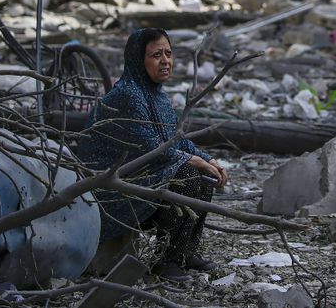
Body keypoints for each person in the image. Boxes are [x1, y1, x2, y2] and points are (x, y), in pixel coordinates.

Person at [76, 28, 228, 281]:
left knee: (201, 175)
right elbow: (151, 149)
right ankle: (166, 262)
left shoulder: (156, 94)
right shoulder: (128, 95)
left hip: (141, 177)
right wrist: (197, 161)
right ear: (138, 59)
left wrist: (209, 160)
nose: (165, 61)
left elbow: (174, 140)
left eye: (168, 53)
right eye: (156, 54)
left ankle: (184, 253)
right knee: (187, 175)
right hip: (112, 190)